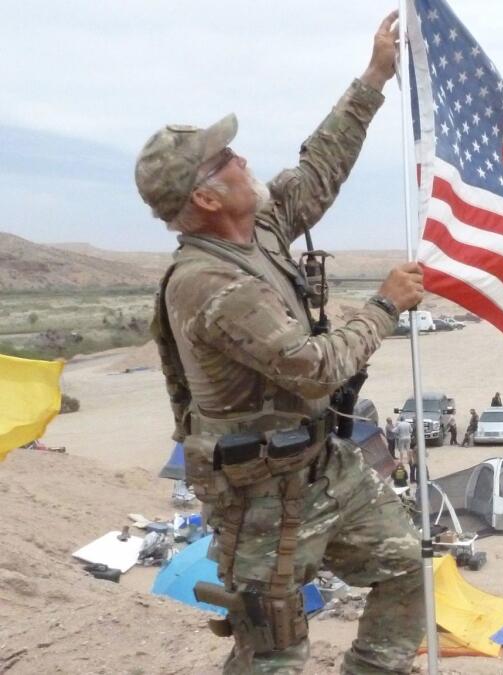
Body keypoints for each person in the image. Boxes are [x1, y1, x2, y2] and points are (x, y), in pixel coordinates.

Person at [137, 12, 426, 672]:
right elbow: (314, 368)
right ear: (207, 196)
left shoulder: (258, 226)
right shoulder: (207, 284)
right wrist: (384, 304)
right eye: (226, 159)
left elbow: (317, 170)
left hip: (323, 469)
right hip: (260, 501)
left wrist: (375, 76)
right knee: (275, 655)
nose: (242, 159)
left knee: (405, 562)